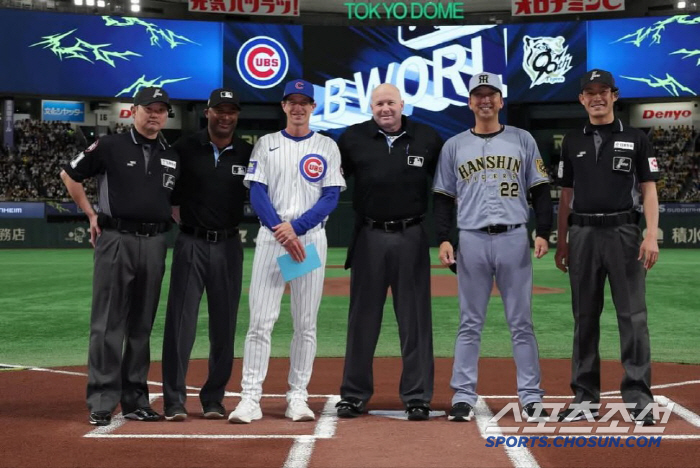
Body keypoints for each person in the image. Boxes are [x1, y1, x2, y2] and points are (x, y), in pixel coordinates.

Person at [432, 72, 552, 423]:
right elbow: (442, 198)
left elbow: (541, 189)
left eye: (491, 95)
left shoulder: (522, 139)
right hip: (471, 238)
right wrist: (443, 238)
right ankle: (464, 396)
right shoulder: (454, 145)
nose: (485, 100)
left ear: (501, 101)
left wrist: (542, 230)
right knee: (470, 322)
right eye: (478, 95)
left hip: (514, 236)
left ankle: (530, 396)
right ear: (470, 103)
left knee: (521, 322)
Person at [227, 79, 346, 424]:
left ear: (313, 107)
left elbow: (331, 196)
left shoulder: (326, 145)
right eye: (291, 101)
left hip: (307, 241)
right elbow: (257, 192)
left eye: (304, 102)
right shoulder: (266, 144)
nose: (298, 107)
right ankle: (250, 398)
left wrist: (297, 228)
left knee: (305, 323)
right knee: (260, 322)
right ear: (283, 106)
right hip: (272, 239)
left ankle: (297, 396)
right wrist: (282, 229)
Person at [59, 87, 179, 426]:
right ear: (134, 111)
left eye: (161, 110)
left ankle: (136, 400)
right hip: (116, 238)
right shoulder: (110, 145)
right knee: (108, 324)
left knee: (141, 326)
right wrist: (91, 215)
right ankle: (101, 400)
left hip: (155, 242)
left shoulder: (171, 154)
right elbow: (70, 174)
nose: (154, 115)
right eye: (148, 108)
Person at [554, 69, 660, 426]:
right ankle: (584, 397)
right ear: (582, 99)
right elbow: (565, 196)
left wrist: (651, 234)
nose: (596, 98)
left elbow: (648, 189)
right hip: (582, 235)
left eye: (603, 92)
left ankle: (639, 396)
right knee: (585, 318)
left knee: (633, 317)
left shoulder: (636, 138)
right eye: (589, 92)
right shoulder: (571, 141)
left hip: (624, 232)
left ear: (614, 96)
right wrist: (562, 240)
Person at [335, 83, 443, 421]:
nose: (386, 108)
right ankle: (353, 395)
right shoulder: (352, 139)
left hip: (411, 234)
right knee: (362, 320)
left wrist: (444, 235)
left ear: (402, 104)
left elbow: (443, 190)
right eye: (380, 103)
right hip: (369, 235)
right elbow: (330, 180)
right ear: (371, 106)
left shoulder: (426, 137)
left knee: (415, 321)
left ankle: (417, 396)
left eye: (391, 103)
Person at [161, 88, 253, 422]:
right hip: (191, 242)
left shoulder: (247, 152)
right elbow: (165, 189)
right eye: (219, 110)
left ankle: (214, 398)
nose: (225, 116)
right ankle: (173, 399)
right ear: (207, 113)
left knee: (224, 325)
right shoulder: (184, 147)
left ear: (237, 115)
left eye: (231, 111)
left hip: (229, 244)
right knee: (180, 323)